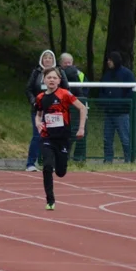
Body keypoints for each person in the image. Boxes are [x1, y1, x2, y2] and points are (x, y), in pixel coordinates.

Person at [34, 67, 87, 210]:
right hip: (47, 137)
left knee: (61, 172)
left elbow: (82, 108)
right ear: (44, 80)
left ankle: (60, 163)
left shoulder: (65, 94)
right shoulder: (40, 98)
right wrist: (38, 123)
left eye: (54, 78)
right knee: (47, 166)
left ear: (59, 80)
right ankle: (50, 200)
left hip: (63, 138)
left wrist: (81, 128)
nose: (51, 80)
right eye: (49, 77)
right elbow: (38, 115)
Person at [24, 49, 69, 171]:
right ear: (41, 60)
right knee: (37, 135)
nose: (47, 60)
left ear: (53, 60)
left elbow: (66, 89)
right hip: (38, 110)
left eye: (50, 58)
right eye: (45, 57)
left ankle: (51, 163)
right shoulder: (36, 72)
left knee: (53, 137)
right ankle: (31, 164)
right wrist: (34, 101)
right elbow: (28, 89)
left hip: (54, 110)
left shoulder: (59, 71)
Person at [98, 51, 135, 163]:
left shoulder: (127, 74)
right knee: (107, 138)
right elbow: (101, 91)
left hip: (121, 113)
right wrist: (105, 102)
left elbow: (131, 92)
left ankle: (129, 159)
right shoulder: (107, 75)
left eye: (110, 60)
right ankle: (108, 159)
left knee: (125, 138)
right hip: (109, 112)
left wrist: (120, 104)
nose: (108, 62)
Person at [60, 53, 88, 161]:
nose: (68, 64)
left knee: (82, 132)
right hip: (64, 107)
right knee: (67, 133)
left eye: (69, 62)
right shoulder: (57, 73)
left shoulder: (80, 74)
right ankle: (64, 157)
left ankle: (79, 159)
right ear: (60, 63)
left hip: (79, 106)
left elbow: (86, 89)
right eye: (65, 62)